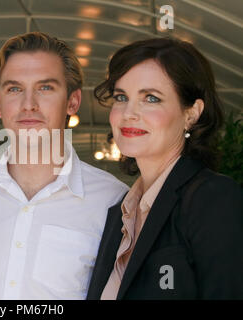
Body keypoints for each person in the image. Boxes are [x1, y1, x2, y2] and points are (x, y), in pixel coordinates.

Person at [0, 32, 129, 299]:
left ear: (72, 101)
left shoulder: (112, 200)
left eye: (45, 88)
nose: (29, 105)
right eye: (14, 89)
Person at [87, 37, 243, 300]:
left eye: (151, 98)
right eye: (121, 97)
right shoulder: (120, 213)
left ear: (192, 113)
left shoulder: (212, 197)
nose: (129, 113)